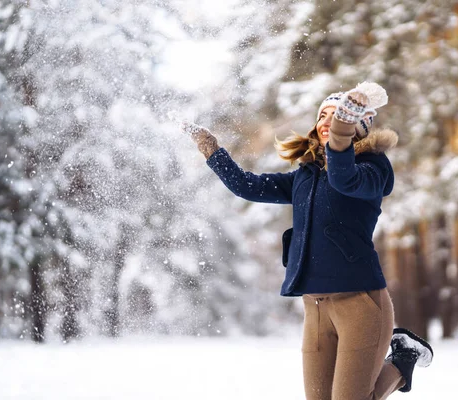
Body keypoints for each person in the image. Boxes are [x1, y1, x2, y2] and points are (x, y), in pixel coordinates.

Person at [186, 82, 433, 400]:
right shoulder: (305, 176)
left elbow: (343, 177)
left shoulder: (373, 168)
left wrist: (343, 125)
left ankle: (402, 359)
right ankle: (404, 356)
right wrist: (211, 150)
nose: (329, 121)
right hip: (315, 306)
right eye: (324, 115)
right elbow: (248, 186)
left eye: (341, 115)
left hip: (360, 302)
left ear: (360, 124)